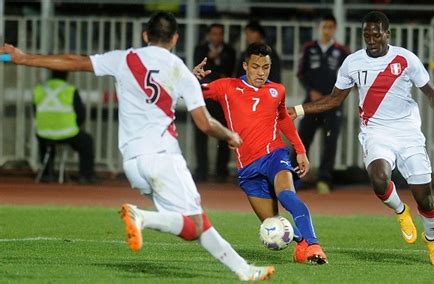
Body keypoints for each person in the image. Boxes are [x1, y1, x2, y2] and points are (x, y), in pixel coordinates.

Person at [1, 11, 275, 281]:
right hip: (163, 156)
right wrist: (230, 135)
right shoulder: (179, 70)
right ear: (176, 38)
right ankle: (140, 216)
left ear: (146, 35)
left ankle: (244, 270)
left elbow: (75, 61)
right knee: (197, 222)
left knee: (192, 226)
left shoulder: (125, 59)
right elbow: (204, 124)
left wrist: (25, 58)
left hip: (132, 163)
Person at [288, 11, 434, 266]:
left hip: (408, 132)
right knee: (379, 179)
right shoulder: (352, 63)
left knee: (426, 199)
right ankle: (401, 211)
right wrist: (299, 110)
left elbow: (430, 91)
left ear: (387, 34)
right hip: (375, 132)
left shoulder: (404, 58)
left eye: (376, 34)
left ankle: (431, 240)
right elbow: (334, 99)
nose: (371, 38)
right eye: (367, 34)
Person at [193, 43, 328, 265]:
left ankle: (314, 245)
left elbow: (283, 119)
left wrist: (301, 150)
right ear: (245, 65)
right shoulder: (227, 86)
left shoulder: (277, 90)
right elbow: (189, 93)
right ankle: (302, 244)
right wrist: (192, 77)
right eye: (256, 67)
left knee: (287, 194)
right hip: (247, 167)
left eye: (266, 67)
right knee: (272, 222)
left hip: (275, 155)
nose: (261, 73)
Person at [296, 14, 350, 194]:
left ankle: (324, 179)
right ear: (319, 28)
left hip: (333, 104)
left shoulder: (342, 51)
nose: (327, 30)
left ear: (334, 29)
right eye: (324, 27)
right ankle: (294, 178)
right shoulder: (309, 48)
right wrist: (310, 89)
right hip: (311, 102)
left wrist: (335, 96)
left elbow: (349, 78)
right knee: (301, 139)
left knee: (330, 142)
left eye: (330, 27)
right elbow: (301, 73)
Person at [33, 70, 98, 184]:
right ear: (67, 75)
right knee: (87, 142)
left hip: (43, 133)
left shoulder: (39, 89)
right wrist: (74, 126)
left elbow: (35, 111)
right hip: (67, 133)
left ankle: (47, 174)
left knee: (46, 144)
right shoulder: (70, 90)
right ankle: (86, 176)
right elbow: (81, 113)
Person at [193, 23, 236, 182]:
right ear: (209, 35)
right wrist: (214, 62)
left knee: (224, 133)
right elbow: (200, 72)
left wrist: (214, 62)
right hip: (203, 96)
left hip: (222, 98)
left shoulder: (230, 51)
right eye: (214, 34)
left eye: (219, 34)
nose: (216, 37)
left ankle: (221, 171)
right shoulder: (200, 49)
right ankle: (201, 171)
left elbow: (228, 72)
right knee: (200, 132)